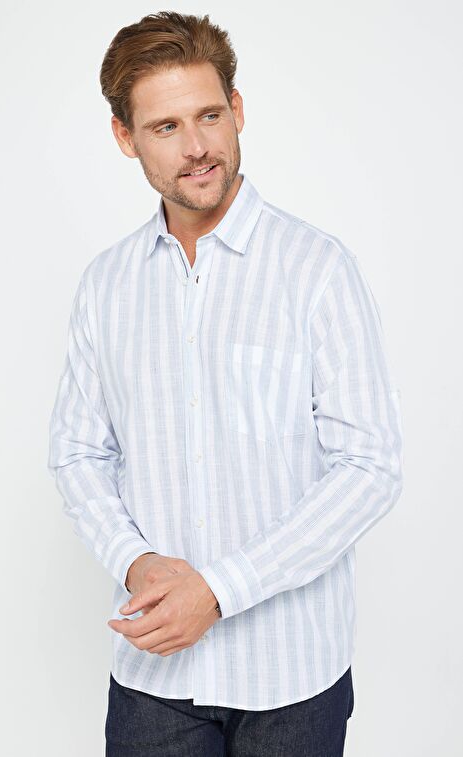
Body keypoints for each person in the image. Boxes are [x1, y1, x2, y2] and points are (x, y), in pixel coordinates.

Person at [47, 11, 403, 756]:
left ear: (237, 109)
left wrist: (218, 589)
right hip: (152, 681)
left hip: (292, 676)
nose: (197, 147)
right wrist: (136, 562)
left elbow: (368, 468)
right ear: (125, 137)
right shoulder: (106, 286)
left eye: (209, 115)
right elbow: (78, 453)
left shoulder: (317, 270)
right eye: (166, 126)